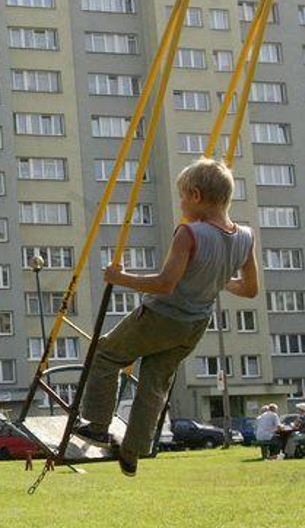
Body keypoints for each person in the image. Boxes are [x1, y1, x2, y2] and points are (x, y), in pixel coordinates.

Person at [75, 158, 258, 477]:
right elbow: (250, 289)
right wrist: (216, 277)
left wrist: (122, 278)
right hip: (195, 326)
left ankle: (97, 425)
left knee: (105, 354)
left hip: (162, 315)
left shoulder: (189, 232)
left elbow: (164, 283)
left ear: (197, 196)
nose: (182, 204)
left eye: (183, 197)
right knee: (155, 382)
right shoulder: (245, 236)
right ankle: (134, 450)